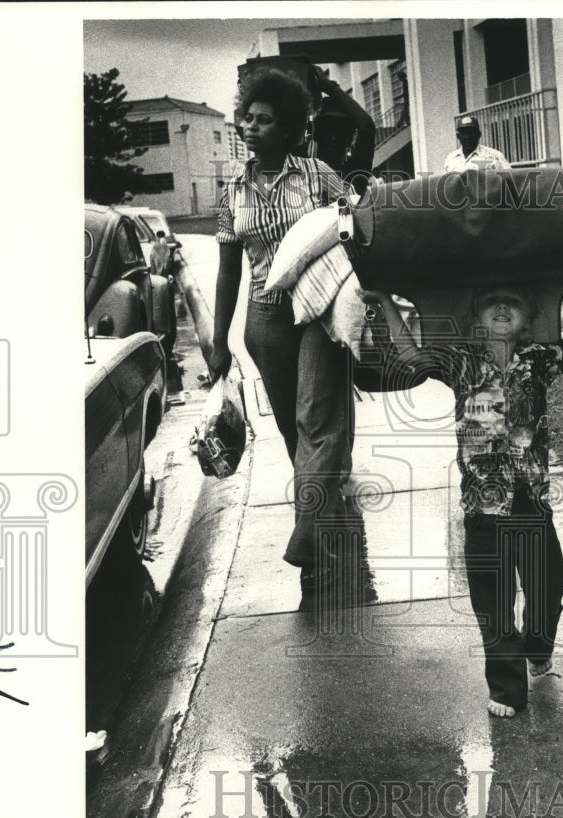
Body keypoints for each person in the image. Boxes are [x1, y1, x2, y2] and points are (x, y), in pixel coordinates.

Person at [356, 262, 563, 717]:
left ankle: (538, 646)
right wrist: (386, 303)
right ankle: (506, 689)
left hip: (530, 504)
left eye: (514, 302)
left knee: (549, 590)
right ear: (476, 319)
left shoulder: (537, 360)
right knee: (494, 604)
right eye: (492, 302)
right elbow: (411, 359)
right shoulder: (461, 361)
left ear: (528, 320)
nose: (503, 307)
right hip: (482, 508)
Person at [205, 68, 352, 594]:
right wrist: (219, 341)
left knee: (317, 420)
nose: (249, 127)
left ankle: (308, 538)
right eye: (246, 117)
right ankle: (325, 507)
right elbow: (228, 271)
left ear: (288, 128)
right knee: (296, 431)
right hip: (265, 320)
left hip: (317, 311)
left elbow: (356, 226)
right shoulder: (232, 192)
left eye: (263, 120)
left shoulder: (318, 175)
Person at [312, 66, 376, 197]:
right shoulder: (304, 165)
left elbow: (367, 127)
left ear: (349, 137)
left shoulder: (355, 171)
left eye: (341, 131)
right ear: (317, 133)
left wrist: (330, 87)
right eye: (328, 129)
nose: (333, 137)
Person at [444, 114, 510, 173]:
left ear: (479, 134)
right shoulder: (450, 158)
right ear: (458, 136)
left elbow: (510, 179)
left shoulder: (495, 156)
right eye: (464, 133)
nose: (467, 137)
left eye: (471, 133)